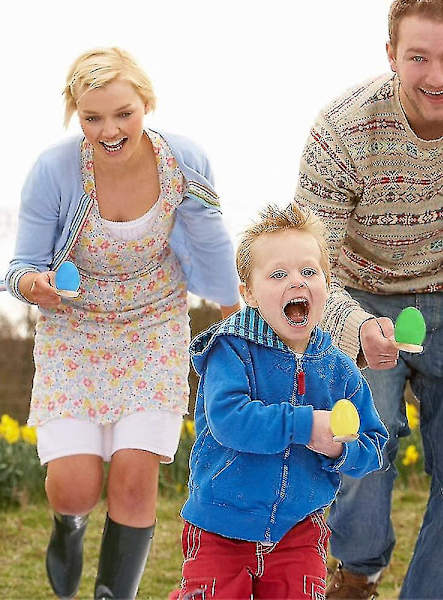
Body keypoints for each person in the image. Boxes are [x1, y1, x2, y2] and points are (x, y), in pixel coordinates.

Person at [0, 47, 240, 599]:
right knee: (75, 487)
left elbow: (213, 245)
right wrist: (33, 285)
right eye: (93, 117)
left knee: (134, 475)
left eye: (123, 113)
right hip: (74, 333)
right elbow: (22, 263)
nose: (110, 129)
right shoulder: (54, 169)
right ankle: (68, 529)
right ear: (76, 114)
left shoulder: (184, 161)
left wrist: (233, 318)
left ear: (146, 103)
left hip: (152, 328)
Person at [295, 0, 443, 598]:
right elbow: (308, 266)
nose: (436, 76)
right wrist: (353, 327)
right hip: (361, 293)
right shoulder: (342, 130)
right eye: (418, 57)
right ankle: (359, 570)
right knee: (365, 438)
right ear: (391, 55)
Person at [170, 202, 388, 599]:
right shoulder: (232, 350)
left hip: (299, 530)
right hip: (221, 522)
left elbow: (373, 443)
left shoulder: (338, 368)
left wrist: (339, 447)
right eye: (278, 274)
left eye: (309, 271)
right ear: (248, 293)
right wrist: (306, 425)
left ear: (326, 282)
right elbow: (230, 419)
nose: (297, 282)